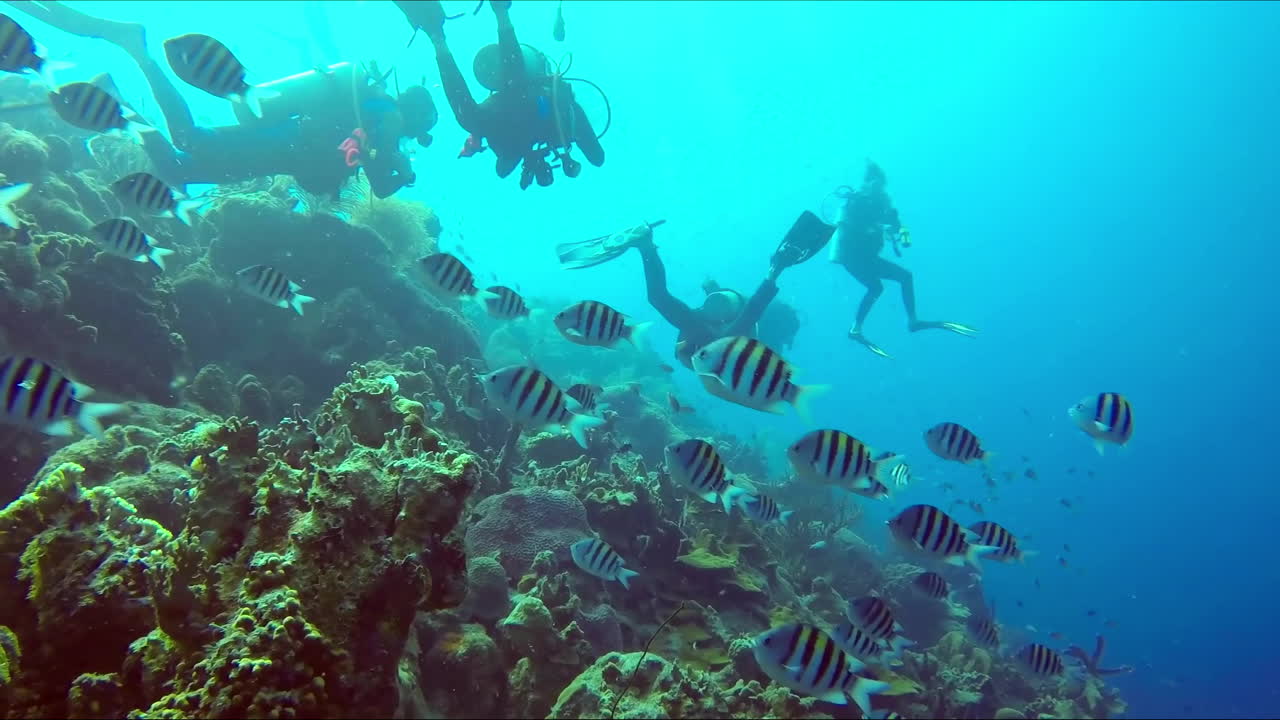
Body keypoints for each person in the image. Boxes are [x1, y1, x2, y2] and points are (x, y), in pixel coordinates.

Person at [8, 0, 436, 199]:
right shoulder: (392, 118)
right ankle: (135, 48)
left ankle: (116, 99)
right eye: (425, 127)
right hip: (278, 143)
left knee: (179, 171)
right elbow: (380, 186)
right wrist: (406, 173)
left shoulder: (378, 114)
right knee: (187, 141)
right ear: (416, 114)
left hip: (278, 149)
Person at [557, 211, 832, 370]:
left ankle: (645, 245)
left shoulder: (707, 336)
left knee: (660, 298)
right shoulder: (744, 341)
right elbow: (750, 315)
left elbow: (744, 315)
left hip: (715, 317)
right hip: (722, 322)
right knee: (672, 304)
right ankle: (646, 247)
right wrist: (774, 272)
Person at [401, 0, 604, 189]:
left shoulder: (560, 118)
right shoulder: (565, 114)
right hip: (518, 101)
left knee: (479, 113)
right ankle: (443, 37)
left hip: (508, 106)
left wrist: (527, 154)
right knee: (492, 102)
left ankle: (444, 35)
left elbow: (503, 169)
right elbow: (597, 157)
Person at [829, 160, 977, 358]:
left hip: (867, 257)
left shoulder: (882, 202)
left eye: (882, 184)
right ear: (869, 182)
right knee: (882, 285)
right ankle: (859, 329)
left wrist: (901, 230)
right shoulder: (857, 201)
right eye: (876, 183)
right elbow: (848, 227)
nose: (879, 187)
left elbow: (894, 222)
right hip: (852, 257)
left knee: (895, 281)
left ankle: (905, 322)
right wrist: (878, 228)